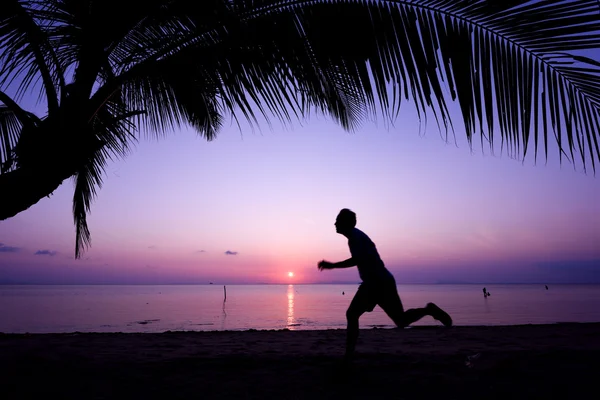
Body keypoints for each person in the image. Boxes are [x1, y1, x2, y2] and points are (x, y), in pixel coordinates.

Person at [318, 208, 452, 361]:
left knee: (352, 314)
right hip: (382, 281)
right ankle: (429, 310)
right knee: (401, 320)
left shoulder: (355, 237)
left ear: (346, 223)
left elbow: (358, 260)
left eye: (338, 220)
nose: (334, 223)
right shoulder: (356, 237)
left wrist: (332, 265)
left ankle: (349, 354)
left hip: (376, 283)